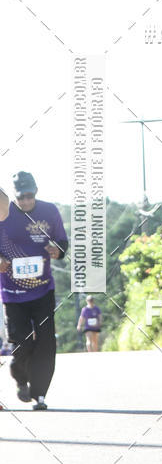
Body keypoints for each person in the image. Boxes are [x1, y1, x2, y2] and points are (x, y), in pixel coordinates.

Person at [0, 172, 68, 410]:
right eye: (21, 197)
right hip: (12, 293)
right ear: (14, 196)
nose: (26, 201)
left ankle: (40, 394)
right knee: (23, 342)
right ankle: (20, 378)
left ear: (36, 192)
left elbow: (62, 241)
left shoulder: (49, 211)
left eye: (30, 196)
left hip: (43, 290)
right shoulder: (4, 213)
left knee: (46, 343)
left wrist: (58, 250)